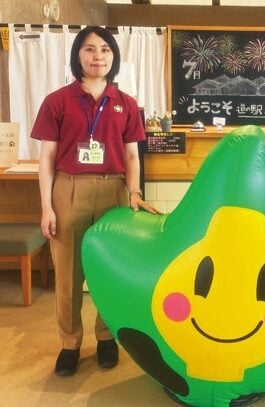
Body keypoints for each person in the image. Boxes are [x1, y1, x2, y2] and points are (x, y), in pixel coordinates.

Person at [31, 26, 162, 377]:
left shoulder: (126, 103)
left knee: (109, 272)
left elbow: (133, 157)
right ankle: (70, 343)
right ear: (78, 55)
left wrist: (134, 192)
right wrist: (46, 206)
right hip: (68, 189)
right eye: (89, 49)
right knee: (69, 276)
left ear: (114, 57)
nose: (98, 56)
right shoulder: (57, 101)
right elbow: (46, 159)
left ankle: (107, 337)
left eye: (105, 50)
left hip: (113, 191)